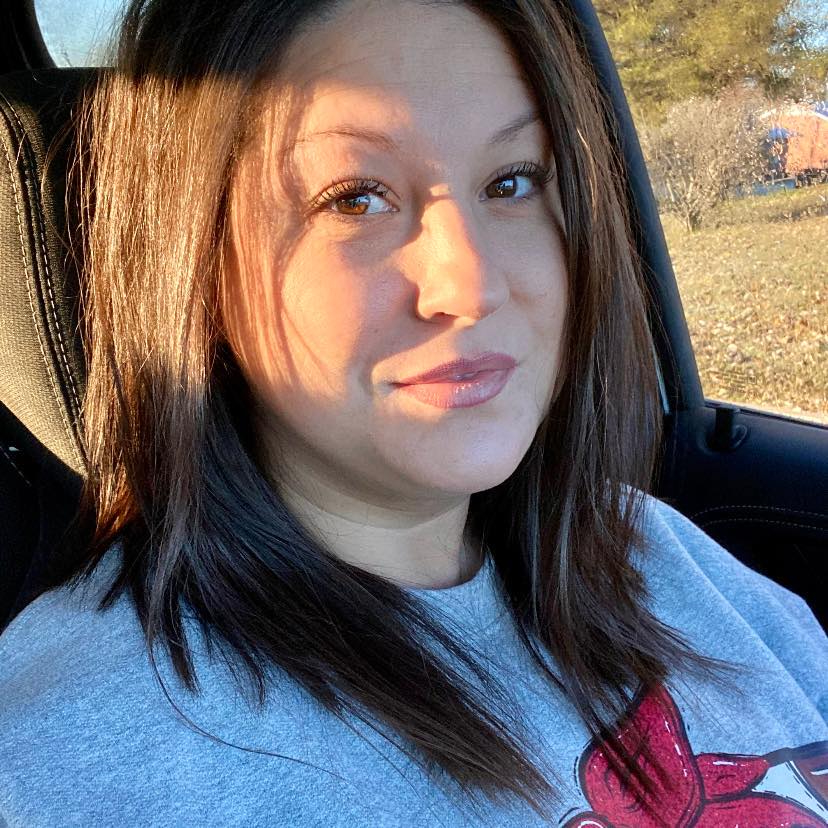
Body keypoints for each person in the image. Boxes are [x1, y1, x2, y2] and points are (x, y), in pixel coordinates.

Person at [1, 0, 826, 825]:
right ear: (196, 259)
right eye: (355, 199)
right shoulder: (71, 759)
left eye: (512, 182)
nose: (471, 286)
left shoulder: (652, 549)